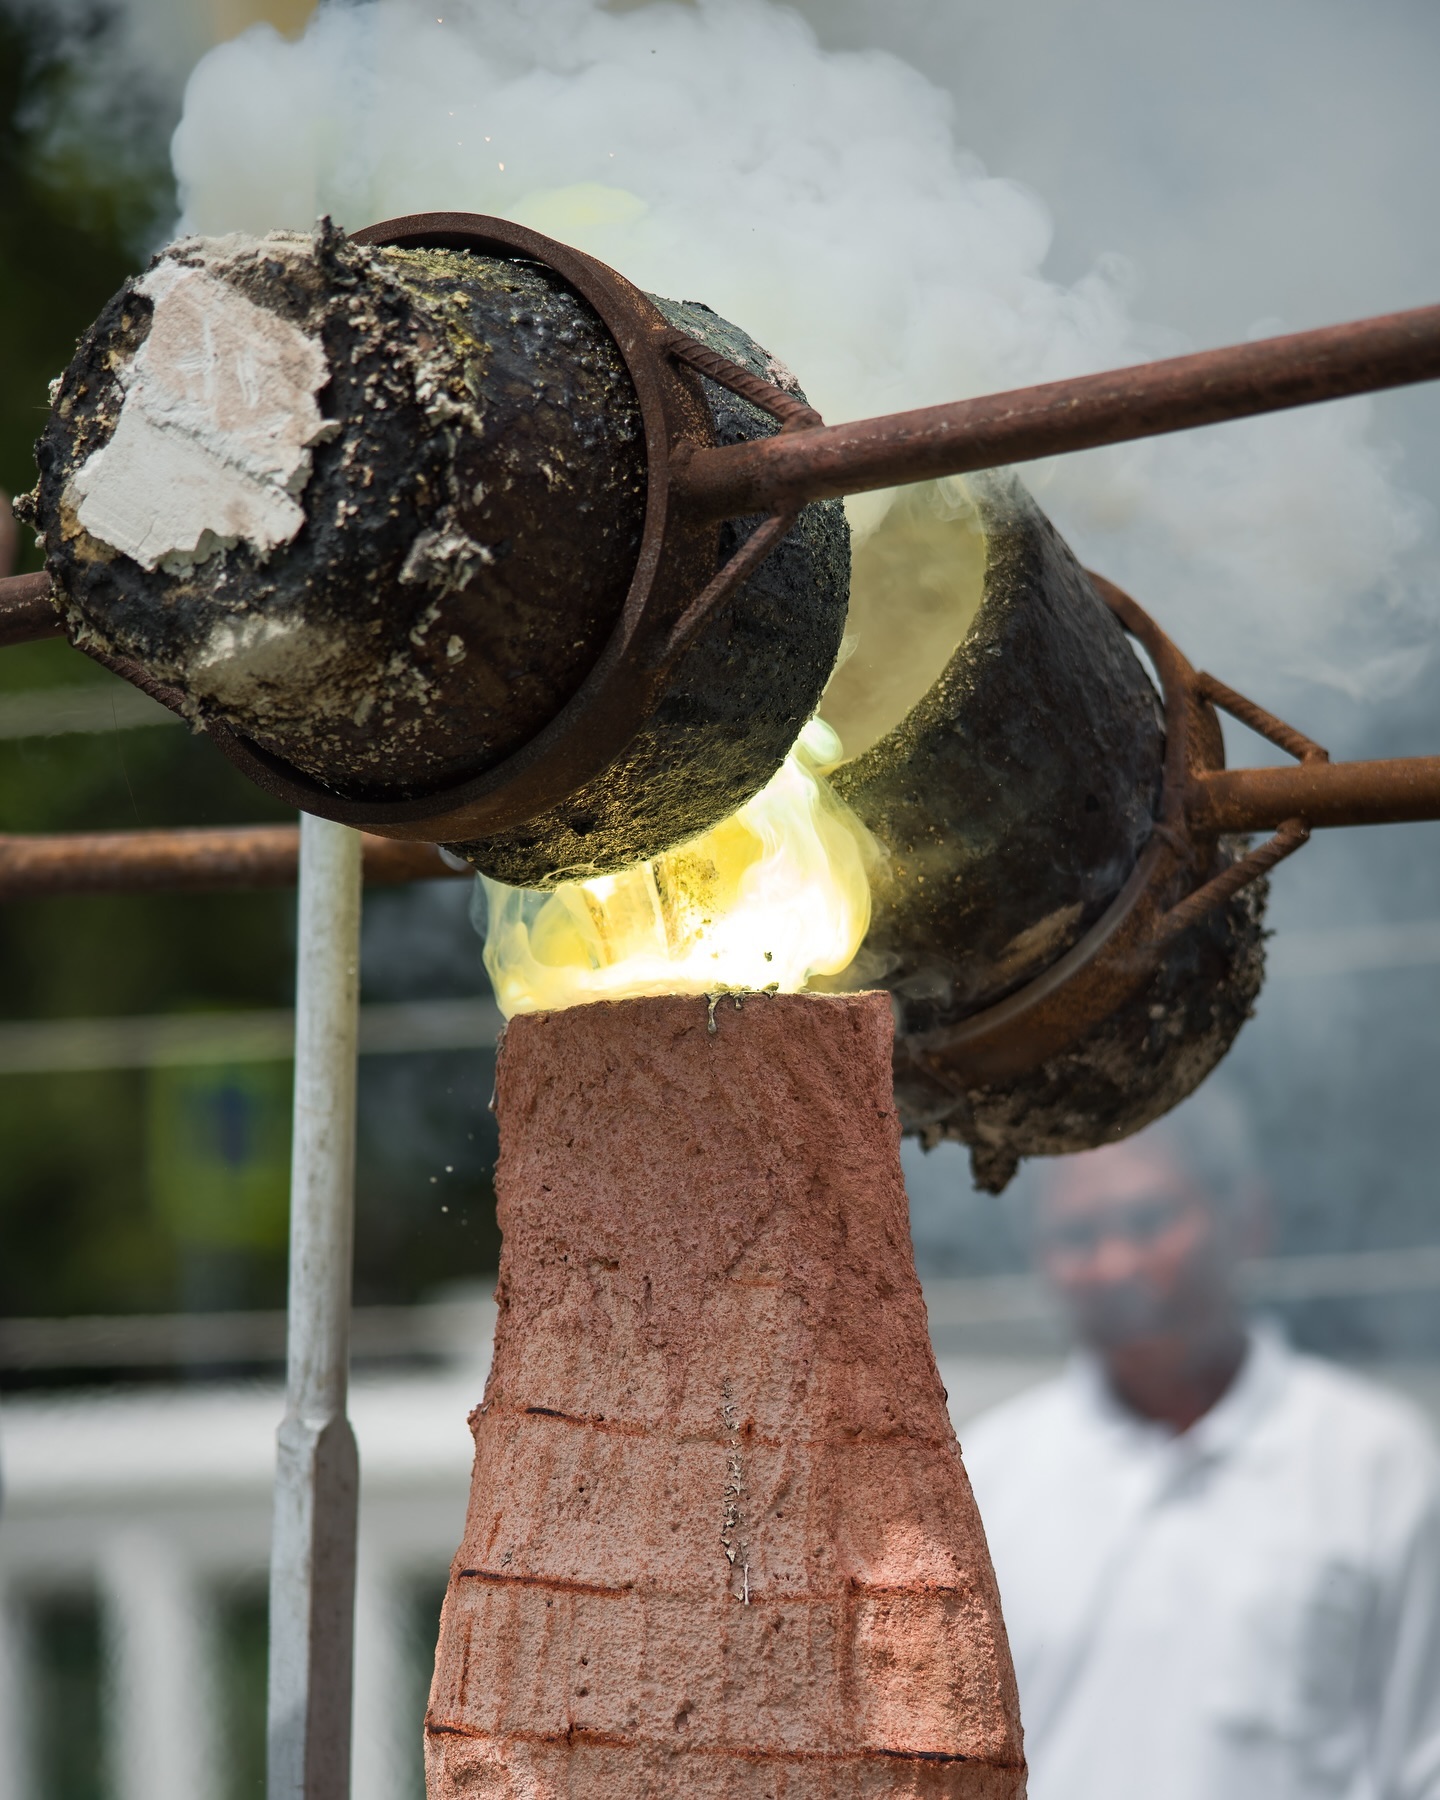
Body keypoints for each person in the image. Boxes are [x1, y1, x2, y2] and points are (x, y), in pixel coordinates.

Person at [961, 1106, 1440, 1800]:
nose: (1116, 1264)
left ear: (1246, 1221)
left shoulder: (1378, 1466)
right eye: (1075, 1235)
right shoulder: (985, 1482)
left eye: (1149, 1222)